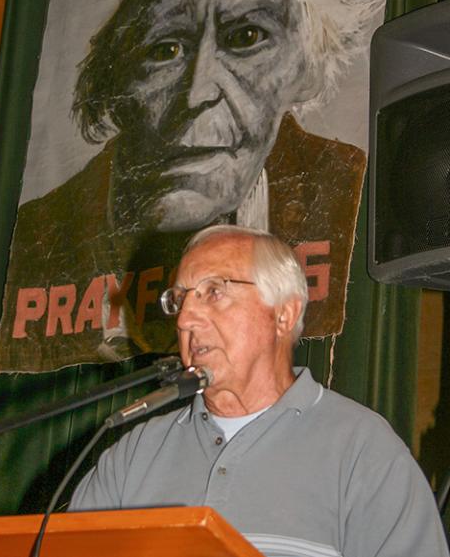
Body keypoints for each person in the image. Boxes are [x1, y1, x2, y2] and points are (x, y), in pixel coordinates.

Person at [0, 0, 372, 371]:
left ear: (304, 64)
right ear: (121, 79)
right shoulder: (44, 237)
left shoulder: (354, 192)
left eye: (245, 39)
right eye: (166, 48)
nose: (197, 92)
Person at [70, 225, 449, 557]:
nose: (185, 318)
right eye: (181, 299)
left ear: (283, 314)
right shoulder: (133, 457)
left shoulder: (365, 452)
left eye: (214, 291)